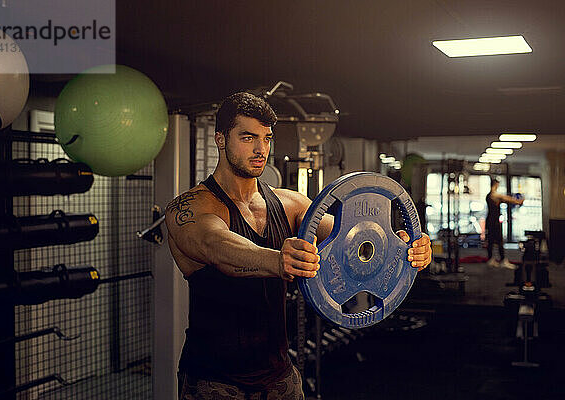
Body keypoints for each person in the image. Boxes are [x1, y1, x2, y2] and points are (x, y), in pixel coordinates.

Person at [165, 92, 432, 400]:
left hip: (279, 376)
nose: (260, 149)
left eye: (266, 138)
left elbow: (352, 240)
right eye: (248, 137)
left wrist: (403, 248)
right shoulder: (189, 208)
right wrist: (278, 260)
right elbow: (215, 245)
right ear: (221, 140)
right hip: (214, 382)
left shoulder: (289, 203)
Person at [485, 177, 524, 269]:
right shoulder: (494, 195)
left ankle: (492, 259)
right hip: (494, 222)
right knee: (498, 241)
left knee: (492, 241)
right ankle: (501, 260)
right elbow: (505, 198)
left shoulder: (490, 195)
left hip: (491, 220)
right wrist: (517, 201)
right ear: (495, 184)